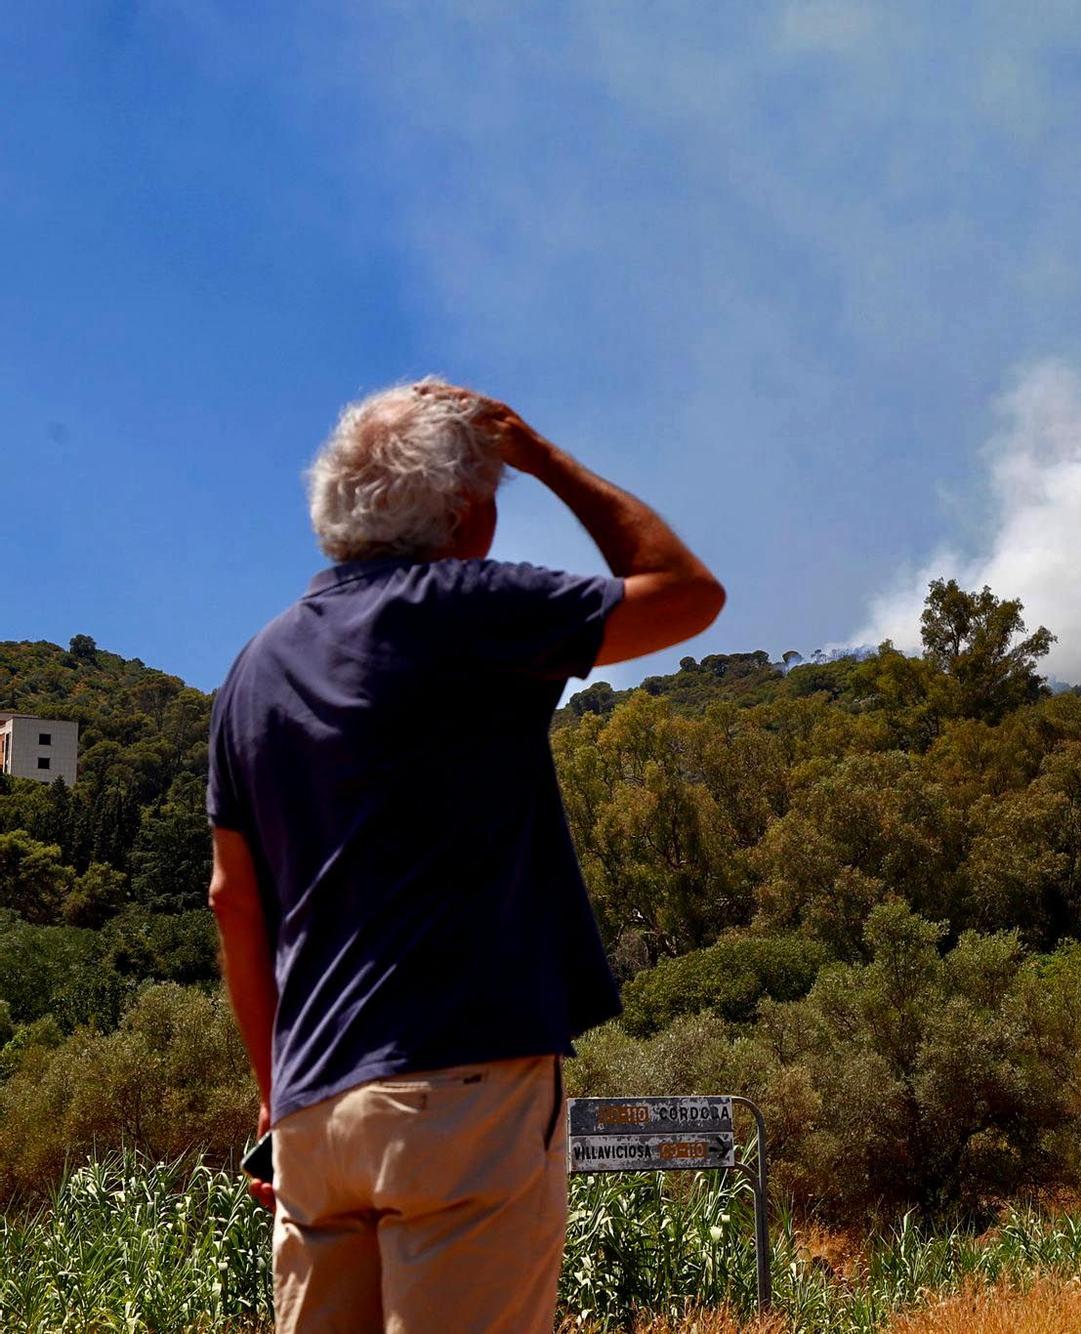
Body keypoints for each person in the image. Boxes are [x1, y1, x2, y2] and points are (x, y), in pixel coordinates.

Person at [207, 380, 724, 1333]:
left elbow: (233, 902)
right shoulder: (460, 610)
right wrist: (543, 455)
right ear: (464, 511)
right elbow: (686, 595)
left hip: (314, 1114)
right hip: (461, 1090)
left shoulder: (252, 669)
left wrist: (276, 1108)